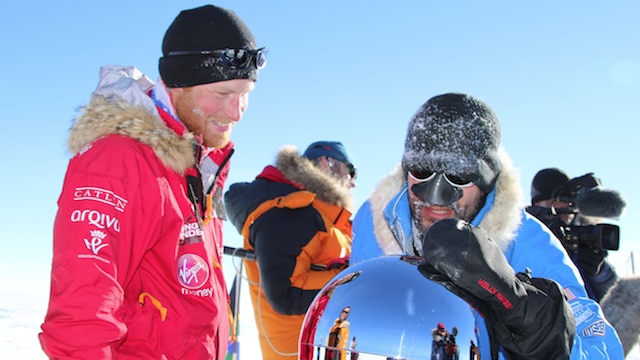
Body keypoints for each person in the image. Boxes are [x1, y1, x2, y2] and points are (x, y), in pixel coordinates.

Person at [38, 5, 266, 359]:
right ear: (178, 84)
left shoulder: (197, 168)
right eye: (222, 94)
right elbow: (80, 319)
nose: (236, 111)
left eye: (246, 93)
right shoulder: (118, 162)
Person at [350, 93, 624, 359]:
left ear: (486, 180)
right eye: (422, 171)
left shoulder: (528, 242)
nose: (434, 196)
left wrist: (531, 318)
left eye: (457, 176)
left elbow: (601, 350)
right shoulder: (374, 220)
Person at [224, 141, 356, 359]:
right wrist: (349, 282)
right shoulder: (290, 212)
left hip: (319, 348)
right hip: (296, 351)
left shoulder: (325, 219)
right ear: (327, 162)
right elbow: (285, 293)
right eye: (350, 170)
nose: (353, 182)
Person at [526, 168, 621, 302]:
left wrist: (599, 273)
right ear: (539, 205)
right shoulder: (524, 240)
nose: (565, 210)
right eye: (558, 202)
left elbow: (614, 301)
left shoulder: (581, 240)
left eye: (569, 203)